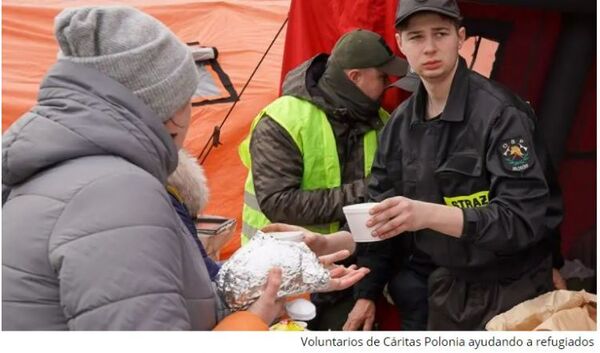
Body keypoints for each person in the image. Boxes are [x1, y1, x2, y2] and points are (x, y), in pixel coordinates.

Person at [1, 6, 367, 331]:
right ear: (173, 109)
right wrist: (251, 324)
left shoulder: (55, 173)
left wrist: (273, 279)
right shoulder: (115, 193)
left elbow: (162, 301)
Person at [345, 0, 564, 330]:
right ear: (400, 43)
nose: (430, 47)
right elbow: (380, 211)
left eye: (441, 34)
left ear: (460, 37)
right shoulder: (400, 125)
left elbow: (522, 219)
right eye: (416, 37)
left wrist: (426, 214)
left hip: (514, 291)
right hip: (446, 291)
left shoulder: (501, 115)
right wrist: (338, 247)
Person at [239, 29, 407, 330]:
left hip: (347, 275)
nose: (388, 84)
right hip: (276, 281)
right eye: (382, 76)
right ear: (355, 77)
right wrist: (368, 191)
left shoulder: (382, 122)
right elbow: (279, 203)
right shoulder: (284, 118)